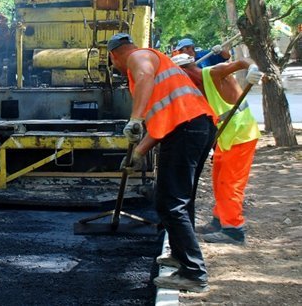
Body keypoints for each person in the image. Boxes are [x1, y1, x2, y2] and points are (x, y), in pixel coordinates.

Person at [108, 33, 217, 292]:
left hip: (186, 129)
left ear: (115, 55)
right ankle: (181, 256)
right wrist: (137, 154)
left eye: (112, 63)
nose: (115, 68)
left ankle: (194, 273)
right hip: (193, 127)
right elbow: (159, 126)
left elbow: (144, 76)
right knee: (177, 199)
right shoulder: (159, 67)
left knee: (171, 203)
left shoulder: (139, 57)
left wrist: (135, 118)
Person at [171, 53, 263, 245]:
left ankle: (233, 230)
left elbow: (241, 62)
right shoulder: (198, 86)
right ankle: (219, 221)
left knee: (230, 184)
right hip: (225, 138)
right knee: (219, 181)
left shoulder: (214, 72)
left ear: (186, 70)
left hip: (240, 135)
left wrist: (252, 69)